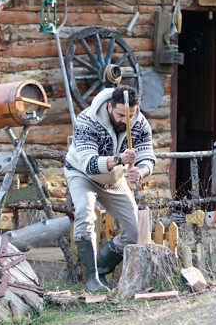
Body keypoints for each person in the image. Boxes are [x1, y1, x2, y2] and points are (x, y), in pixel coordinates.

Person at [64, 85, 155, 292]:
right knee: (85, 213)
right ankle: (91, 279)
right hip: (82, 175)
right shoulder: (87, 120)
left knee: (134, 232)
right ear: (109, 107)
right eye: (121, 115)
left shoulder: (139, 123)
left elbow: (148, 156)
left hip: (115, 180)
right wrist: (119, 159)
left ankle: (102, 267)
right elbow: (89, 164)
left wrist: (140, 171)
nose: (126, 120)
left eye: (130, 115)